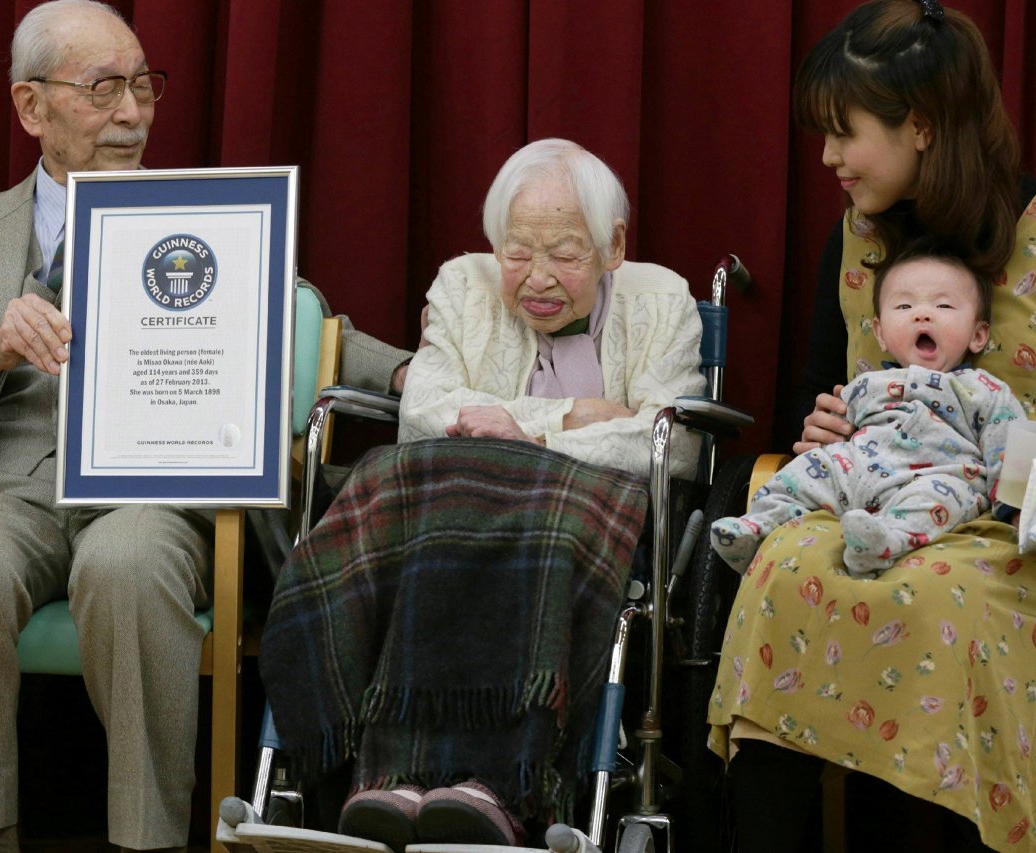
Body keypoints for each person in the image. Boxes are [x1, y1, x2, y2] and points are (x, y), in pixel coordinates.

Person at [0, 2, 408, 850]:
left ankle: (150, 837)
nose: (133, 113)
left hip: (151, 486)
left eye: (143, 85)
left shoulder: (196, 215)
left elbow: (302, 317)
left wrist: (413, 372)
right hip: (5, 486)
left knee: (128, 566)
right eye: (102, 90)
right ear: (31, 108)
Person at [707, 2, 1036, 851]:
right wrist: (819, 423)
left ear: (919, 126)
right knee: (779, 569)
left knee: (932, 595)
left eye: (844, 133)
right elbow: (812, 393)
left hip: (1033, 540)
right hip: (875, 506)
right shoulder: (855, 242)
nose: (828, 158)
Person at [260, 138, 705, 850]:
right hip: (449, 515)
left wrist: (521, 437)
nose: (536, 277)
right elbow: (422, 413)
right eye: (516, 251)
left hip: (579, 527)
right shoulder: (461, 285)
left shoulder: (662, 300)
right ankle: (391, 778)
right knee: (420, 504)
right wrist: (573, 416)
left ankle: (493, 785)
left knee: (536, 525)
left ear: (613, 245)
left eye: (564, 253)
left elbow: (673, 441)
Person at [712, 243, 1025, 578]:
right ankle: (762, 524)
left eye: (943, 305)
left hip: (939, 476)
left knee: (936, 500)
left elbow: (1006, 446)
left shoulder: (982, 389)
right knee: (809, 469)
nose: (922, 314)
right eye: (904, 305)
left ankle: (883, 543)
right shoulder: (864, 384)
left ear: (978, 335)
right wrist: (824, 453)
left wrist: (1016, 508)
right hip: (859, 470)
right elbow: (832, 437)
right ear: (880, 334)